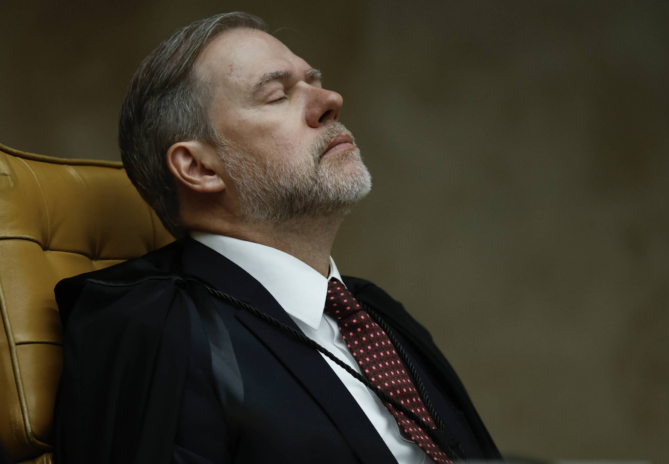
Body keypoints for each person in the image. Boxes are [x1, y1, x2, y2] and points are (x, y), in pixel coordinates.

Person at [52, 12, 501, 464]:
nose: (331, 100)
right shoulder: (154, 327)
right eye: (278, 95)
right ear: (200, 168)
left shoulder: (376, 312)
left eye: (315, 81)